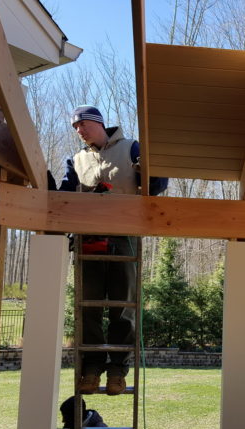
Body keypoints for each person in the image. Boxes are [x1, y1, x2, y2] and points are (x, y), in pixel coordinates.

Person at [49, 105, 167, 395]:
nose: (79, 131)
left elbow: (158, 184)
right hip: (88, 239)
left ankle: (117, 369)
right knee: (87, 308)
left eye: (82, 125)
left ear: (98, 123)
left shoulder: (131, 148)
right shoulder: (76, 159)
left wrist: (149, 172)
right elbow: (66, 194)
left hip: (124, 238)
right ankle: (91, 367)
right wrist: (50, 191)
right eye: (75, 128)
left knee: (121, 308)